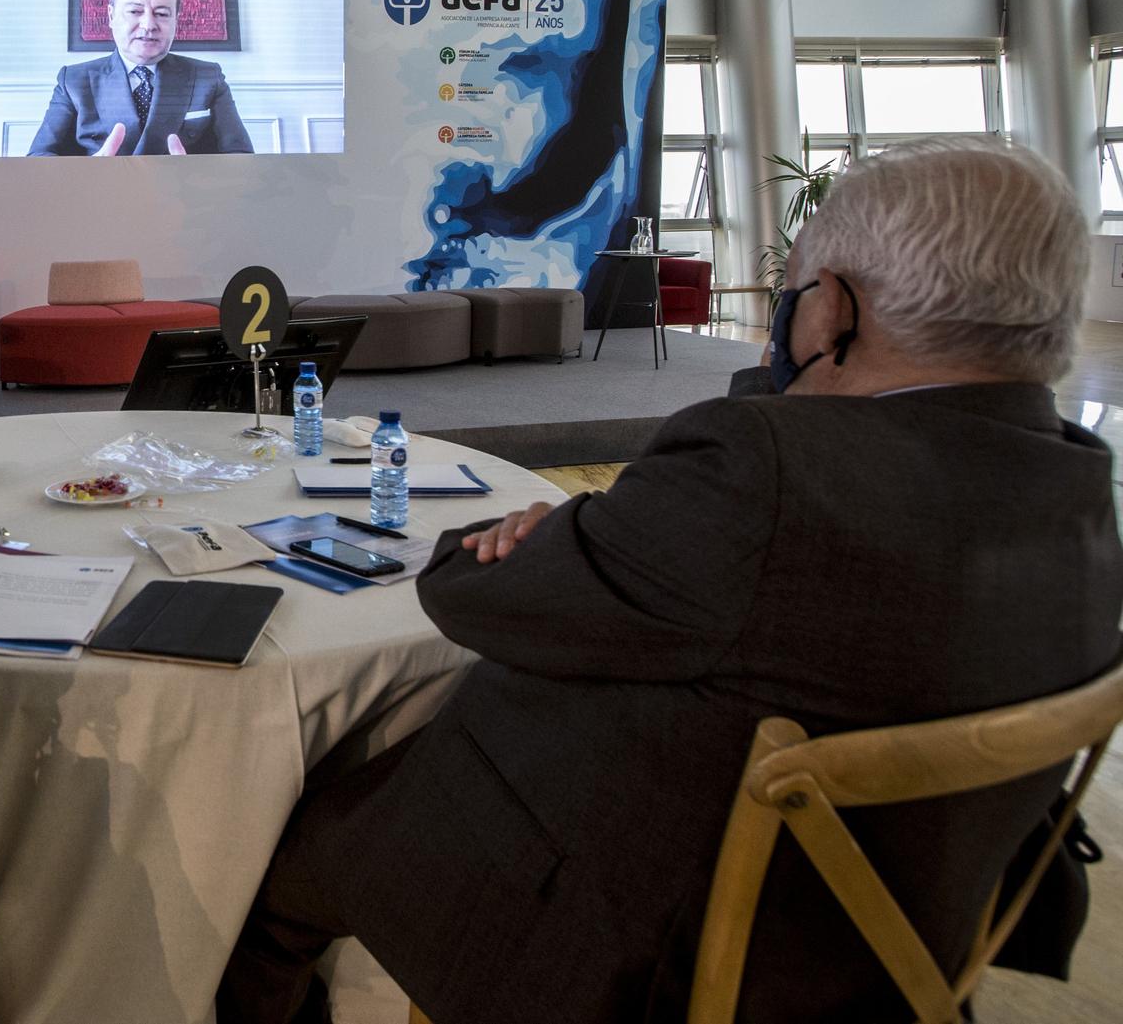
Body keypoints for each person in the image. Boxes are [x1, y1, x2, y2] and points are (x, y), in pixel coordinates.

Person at [216, 136, 1123, 1024]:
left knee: (285, 858)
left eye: (792, 293)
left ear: (835, 310)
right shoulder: (1077, 477)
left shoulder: (761, 466)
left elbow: (472, 595)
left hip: (641, 946)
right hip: (890, 938)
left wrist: (559, 534)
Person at [28, 0, 254, 156]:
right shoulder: (74, 81)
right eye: (135, 12)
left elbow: (241, 157)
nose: (148, 25)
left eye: (162, 14)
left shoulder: (208, 77)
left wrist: (196, 177)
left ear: (176, 19)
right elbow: (39, 158)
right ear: (111, 16)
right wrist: (88, 174)